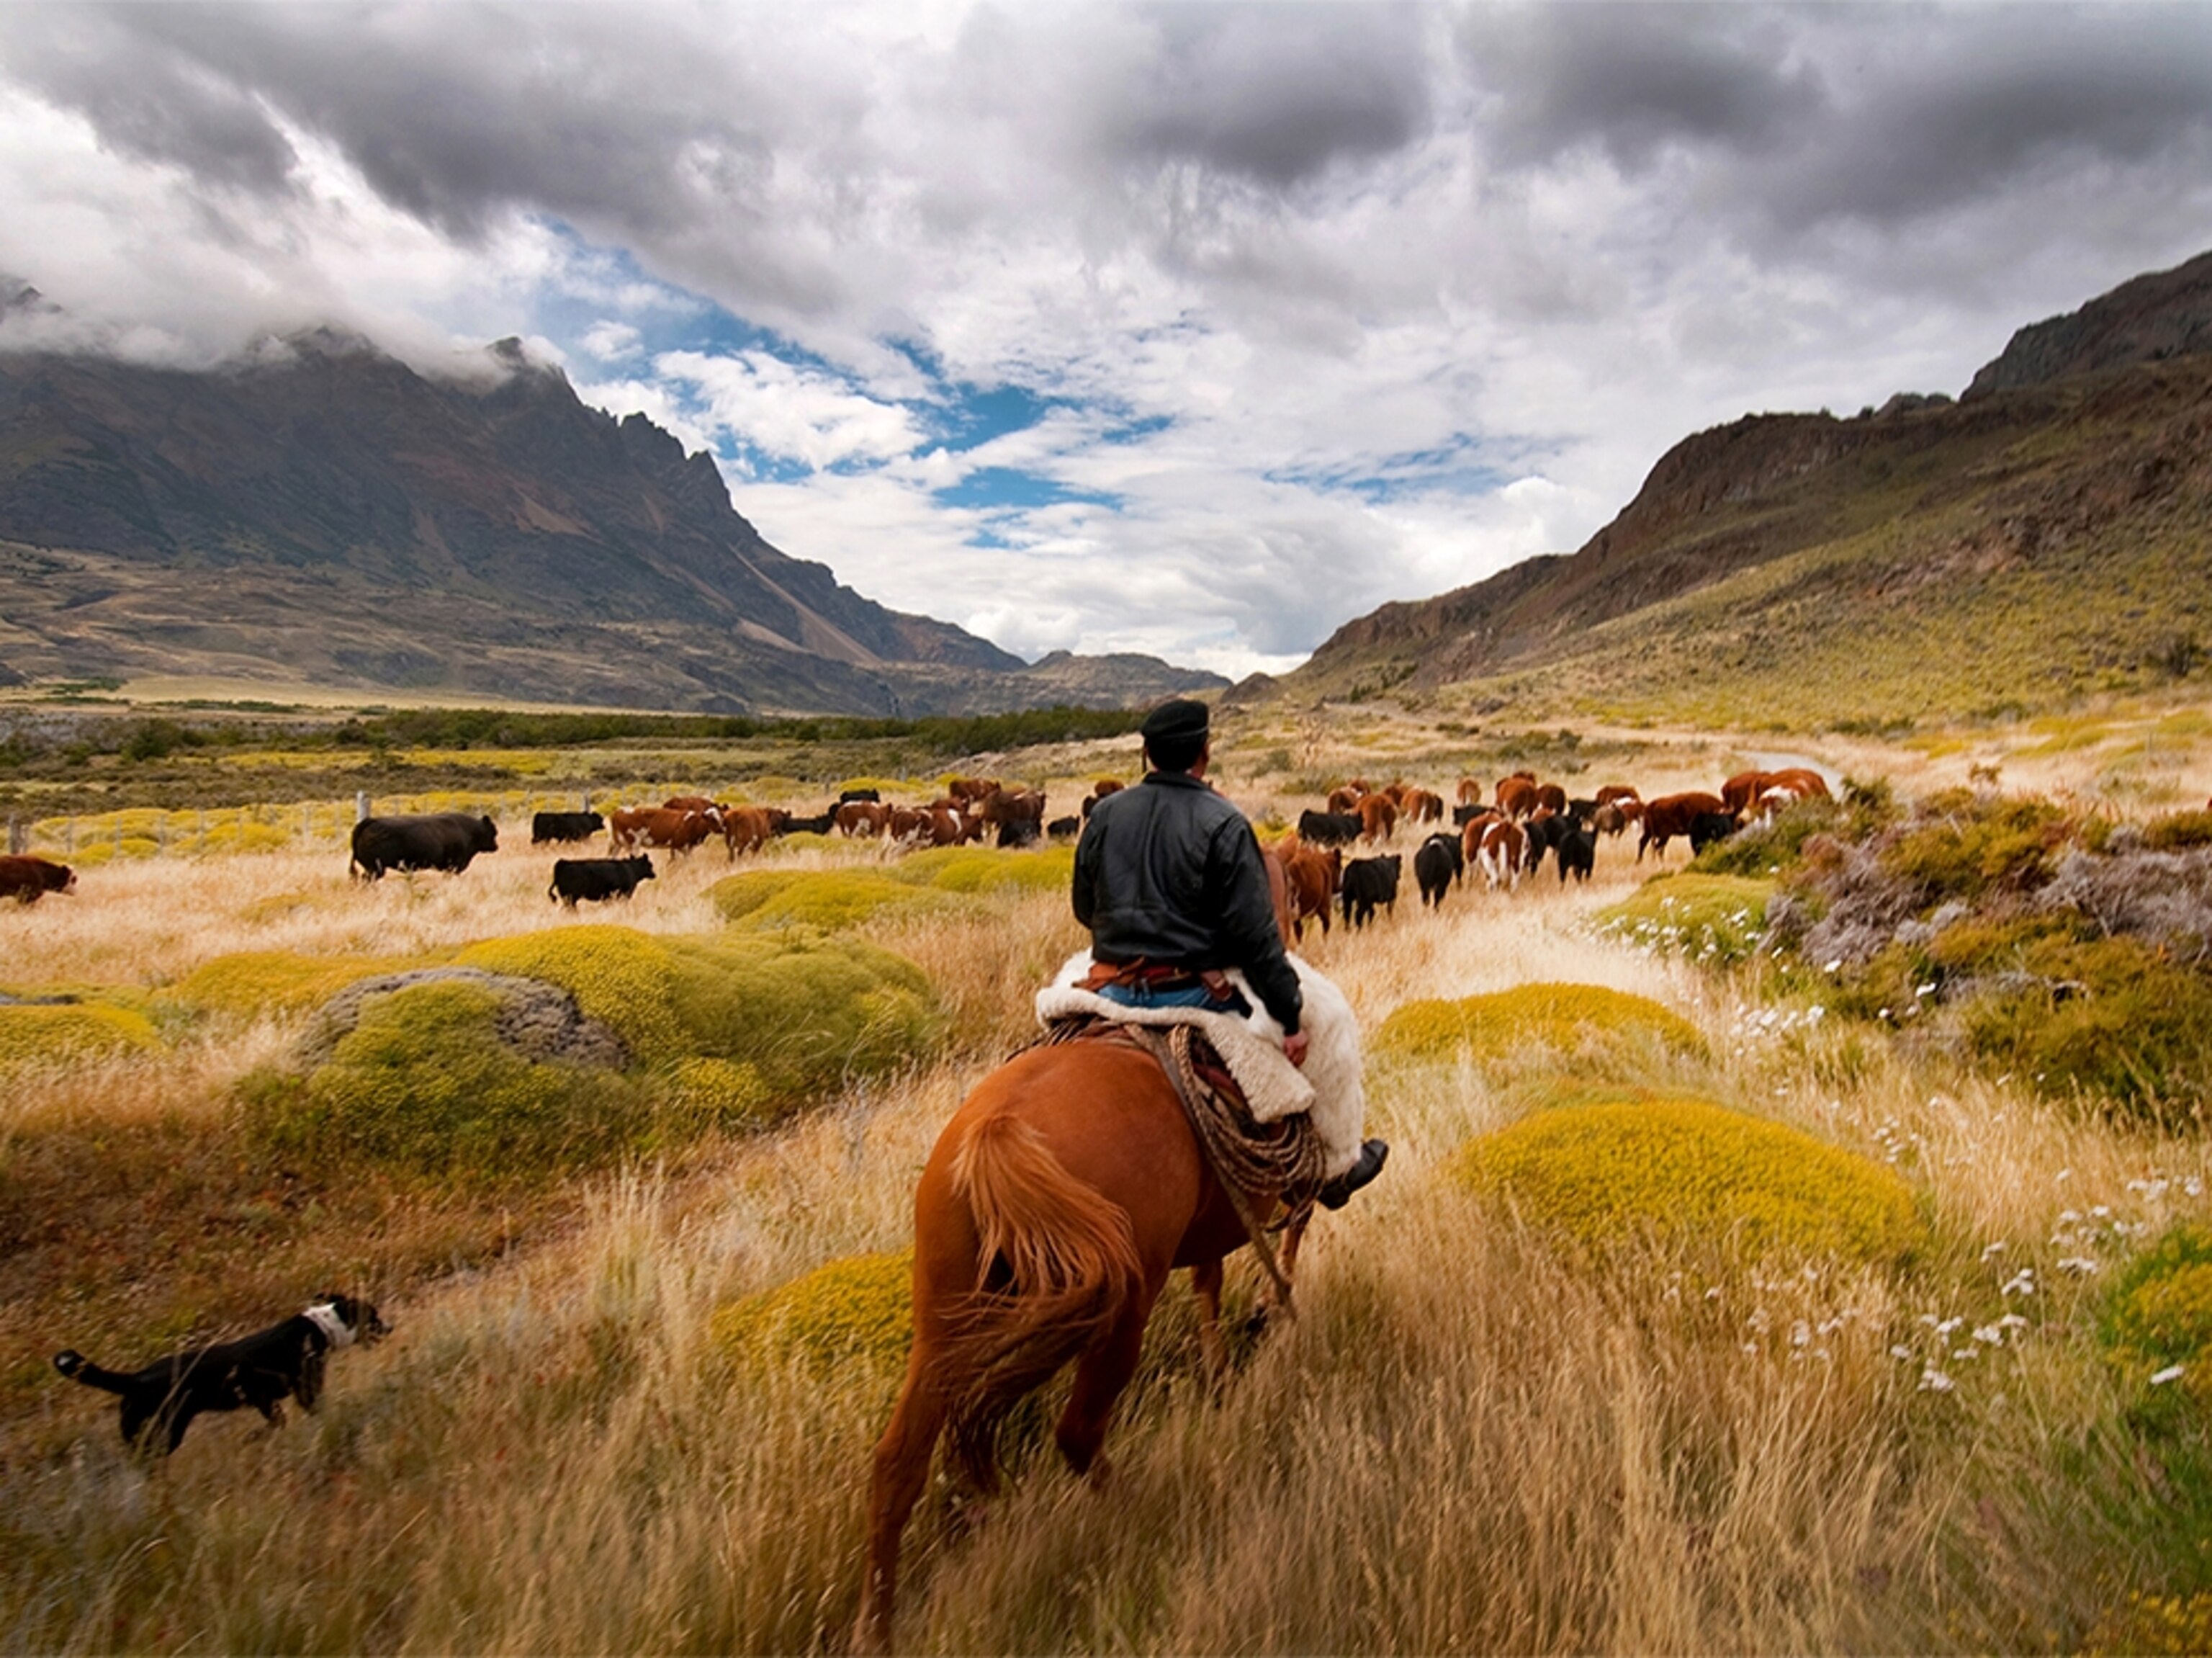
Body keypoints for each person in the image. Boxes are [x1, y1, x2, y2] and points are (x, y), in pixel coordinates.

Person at [1071, 697, 1387, 1209]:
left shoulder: (1103, 814)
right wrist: (1289, 1019)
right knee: (1331, 1015)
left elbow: (1086, 909)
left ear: (1147, 753)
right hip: (1192, 990)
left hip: (1111, 983)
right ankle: (1336, 1166)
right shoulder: (1223, 822)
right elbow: (1255, 941)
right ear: (1205, 752)